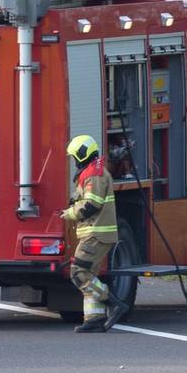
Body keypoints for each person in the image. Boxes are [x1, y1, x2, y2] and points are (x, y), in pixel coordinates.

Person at [59, 135, 130, 332]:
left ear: (82, 155)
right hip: (95, 233)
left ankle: (113, 302)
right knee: (89, 274)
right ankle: (94, 319)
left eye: (75, 157)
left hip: (96, 234)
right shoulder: (92, 173)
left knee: (79, 273)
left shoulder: (94, 174)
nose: (74, 161)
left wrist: (70, 213)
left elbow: (92, 204)